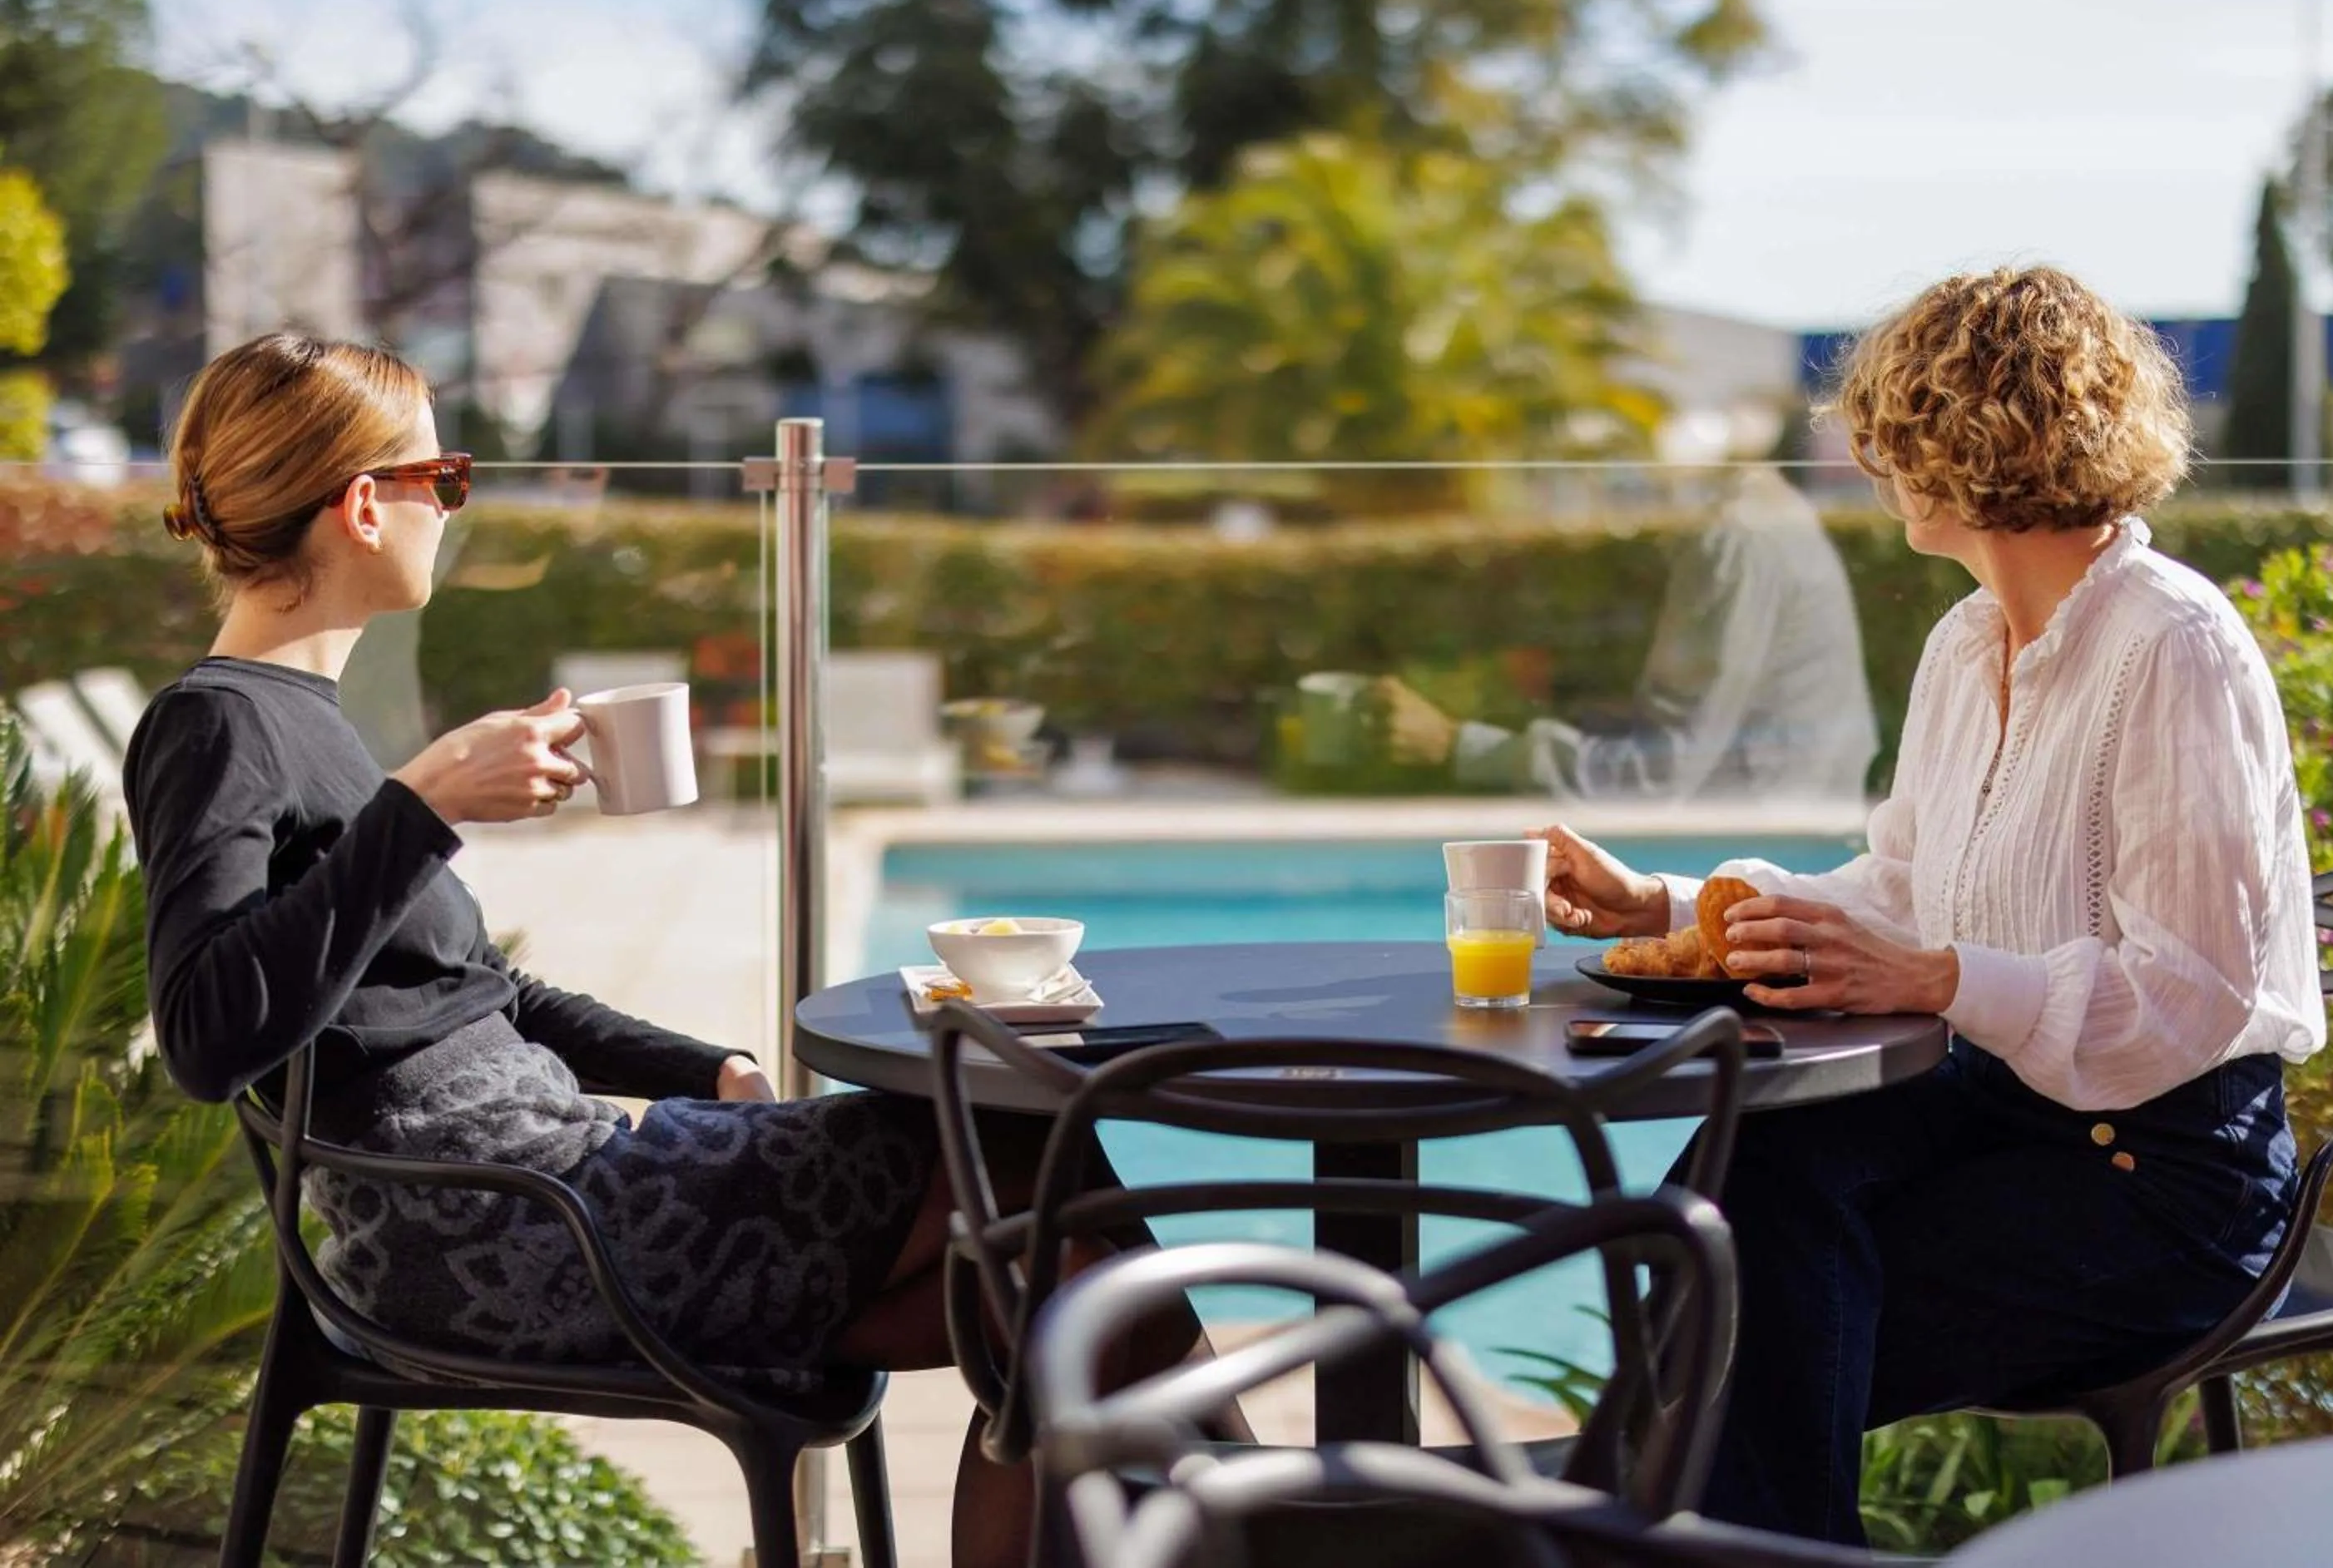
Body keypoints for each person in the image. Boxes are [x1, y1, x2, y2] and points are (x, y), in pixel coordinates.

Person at [124, 334, 1196, 1568]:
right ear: (365, 505)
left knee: (1049, 1216)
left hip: (575, 1179)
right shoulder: (219, 724)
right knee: (1056, 1226)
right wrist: (424, 808)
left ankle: (1228, 1533)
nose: (451, 509)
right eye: (448, 478)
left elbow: (482, 997)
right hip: (496, 1232)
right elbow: (207, 1034)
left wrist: (709, 1067)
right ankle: (1274, 1529)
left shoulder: (315, 728)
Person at [1538, 267, 2326, 1544]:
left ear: (1963, 442)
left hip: (2168, 1180)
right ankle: (1671, 1531)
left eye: (1891, 429)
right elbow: (1907, 884)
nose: (1867, 460)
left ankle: (1625, 1531)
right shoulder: (1971, 643)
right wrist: (1666, 898)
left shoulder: (2175, 645)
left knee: (1748, 1316)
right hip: (2007, 1110)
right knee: (1734, 1189)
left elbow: (2192, 996)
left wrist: (1941, 981)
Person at [1371, 463, 1878, 805]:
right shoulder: (1765, 517)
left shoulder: (1731, 542)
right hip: (1790, 841)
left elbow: (1662, 773)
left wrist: (1455, 743)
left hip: (1751, 865)